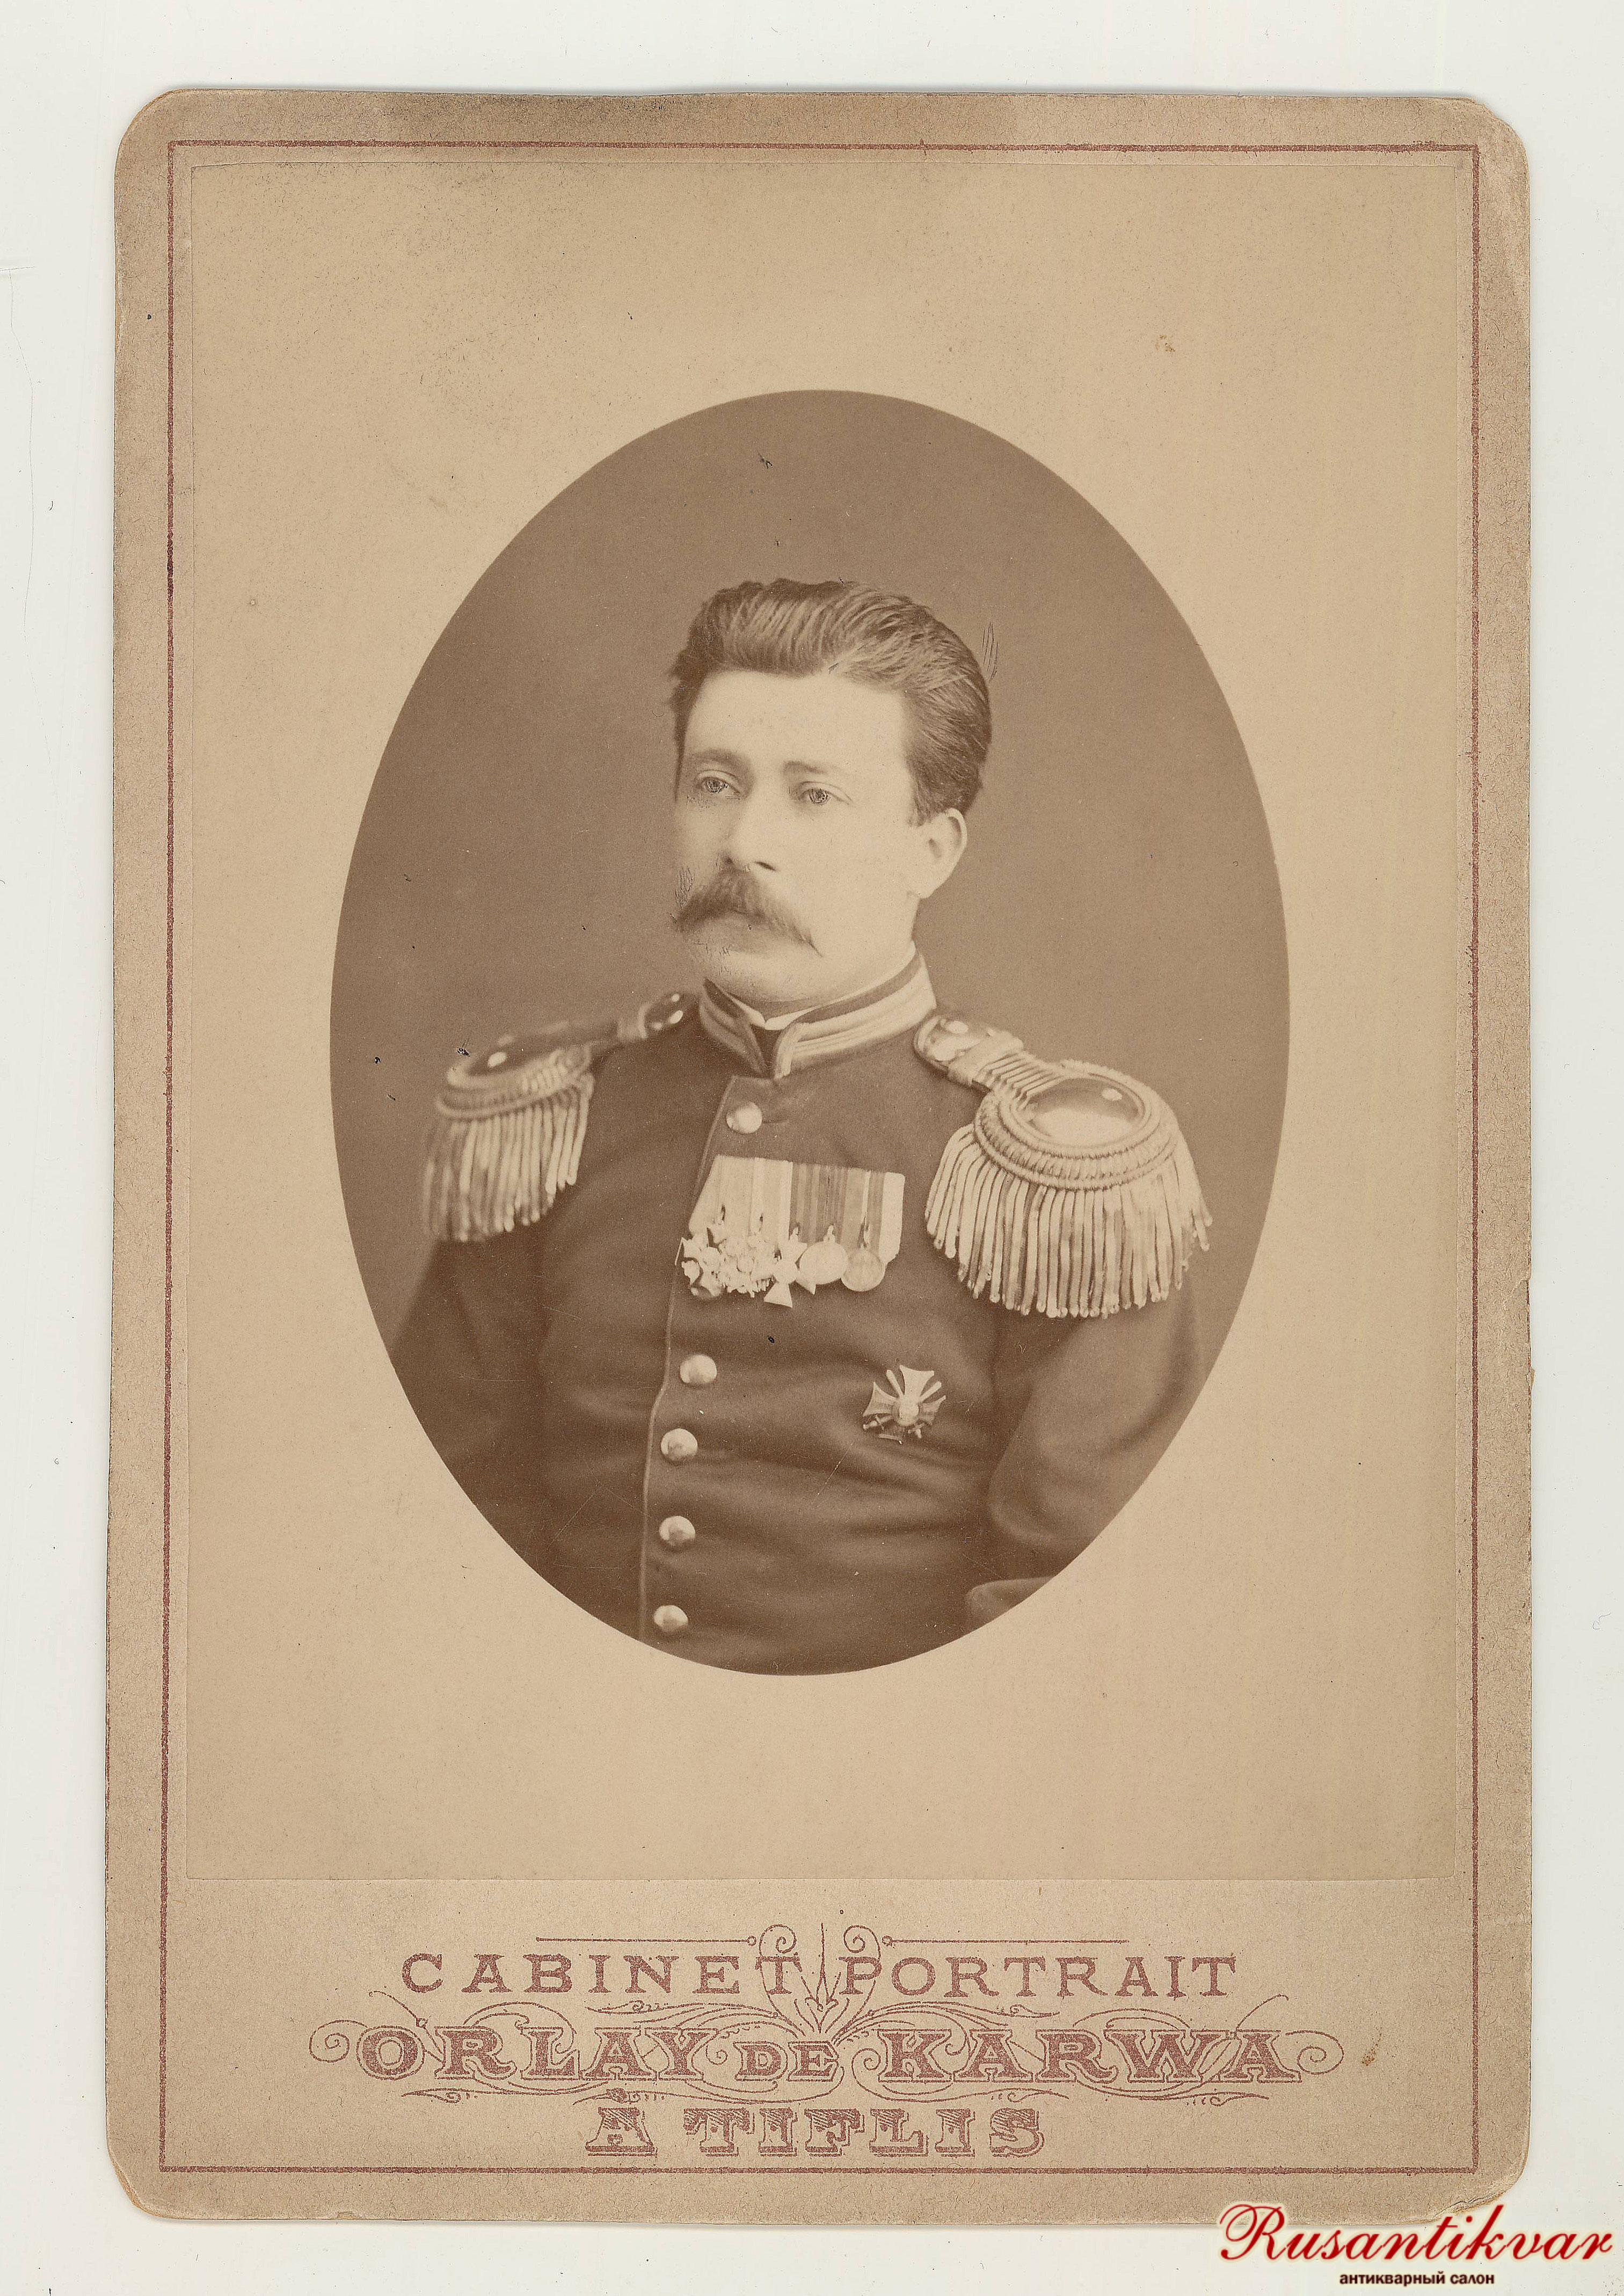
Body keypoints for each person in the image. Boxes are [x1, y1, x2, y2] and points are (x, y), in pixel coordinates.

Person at [392, 578, 1210, 1676]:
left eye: (814, 795)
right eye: (714, 784)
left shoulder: (1056, 1179)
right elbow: (442, 1531)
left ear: (933, 849)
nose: (745, 841)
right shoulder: (550, 1123)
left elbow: (1074, 1606)